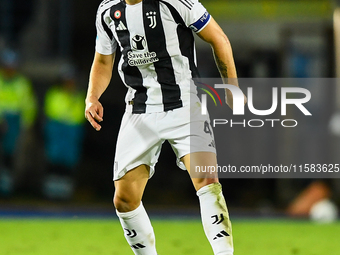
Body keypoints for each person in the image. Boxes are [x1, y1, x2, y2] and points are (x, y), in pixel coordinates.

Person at [85, 0, 246, 254]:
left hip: (184, 103)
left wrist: (233, 87)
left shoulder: (174, 2)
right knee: (124, 199)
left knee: (206, 178)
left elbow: (219, 38)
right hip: (139, 109)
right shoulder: (107, 10)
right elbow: (103, 61)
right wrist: (92, 96)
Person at [43, 65, 86, 199]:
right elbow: (50, 110)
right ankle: (51, 191)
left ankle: (65, 192)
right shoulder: (55, 93)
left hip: (71, 131)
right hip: (57, 129)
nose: (70, 83)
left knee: (68, 162)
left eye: (72, 80)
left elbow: (81, 114)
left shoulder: (78, 96)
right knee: (54, 159)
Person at [0, 49, 37, 196]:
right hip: (3, 120)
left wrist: (26, 125)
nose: (10, 69)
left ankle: (6, 188)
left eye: (12, 66)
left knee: (11, 156)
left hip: (15, 123)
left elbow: (29, 105)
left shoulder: (22, 83)